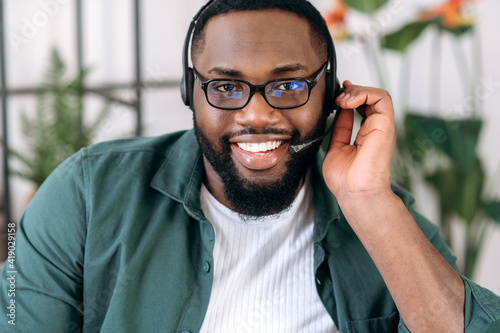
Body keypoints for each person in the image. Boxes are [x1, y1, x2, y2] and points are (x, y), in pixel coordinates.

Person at [1, 0, 500, 332]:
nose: (257, 114)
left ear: (330, 94)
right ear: (189, 93)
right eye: (225, 87)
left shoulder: (385, 218)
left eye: (288, 86)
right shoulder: (86, 193)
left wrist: (370, 201)